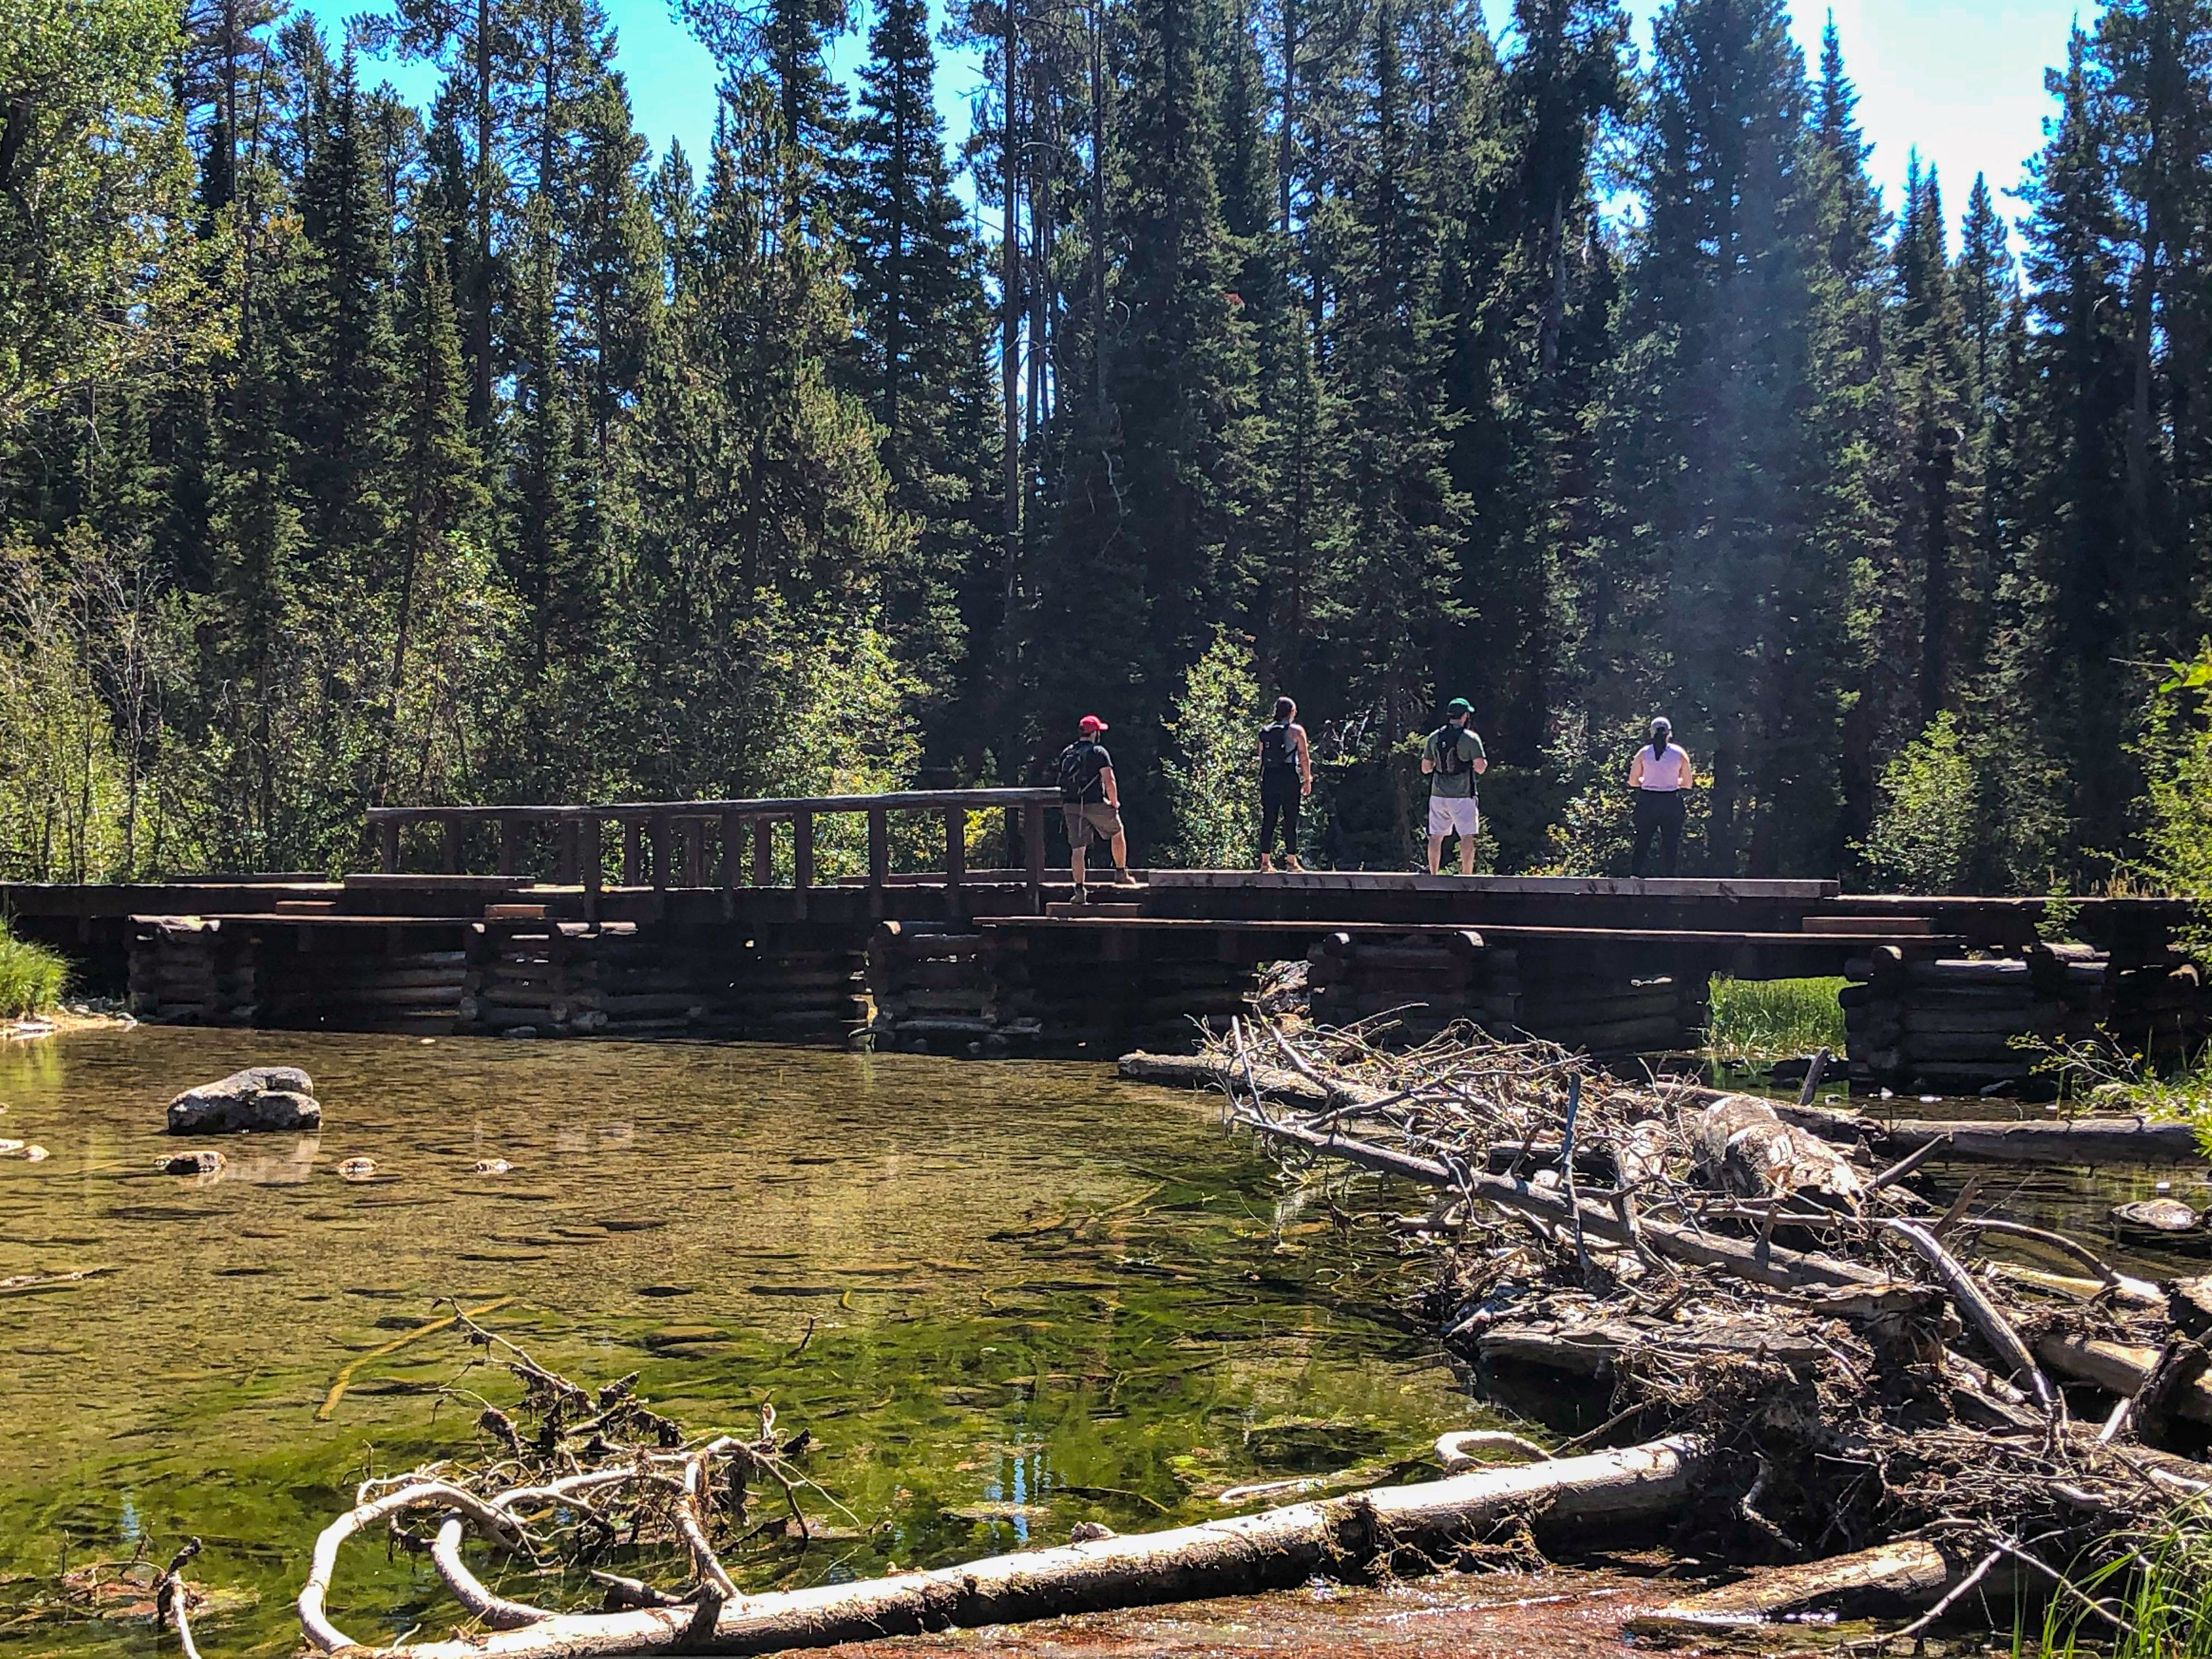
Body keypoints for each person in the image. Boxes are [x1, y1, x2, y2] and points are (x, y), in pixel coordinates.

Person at [1057, 714, 1133, 899]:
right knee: (1117, 832)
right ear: (1095, 733)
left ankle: (1079, 891)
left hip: (1071, 805)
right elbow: (1109, 780)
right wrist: (1114, 802)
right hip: (1095, 804)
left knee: (1078, 848)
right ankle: (1121, 874)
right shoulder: (1099, 752)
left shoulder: (1067, 752)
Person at [1421, 697, 1488, 876]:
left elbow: (1426, 768)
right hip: (1463, 795)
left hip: (1438, 795)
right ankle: (1467, 876)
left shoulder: (1434, 737)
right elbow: (1481, 768)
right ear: (1465, 716)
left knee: (1436, 837)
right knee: (1467, 836)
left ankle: (1434, 875)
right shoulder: (1471, 739)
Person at [1628, 716, 1692, 878]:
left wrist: (1648, 780)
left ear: (1651, 732)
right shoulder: (1679, 754)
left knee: (1642, 840)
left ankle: (1635, 875)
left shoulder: (1643, 753)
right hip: (1671, 801)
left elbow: (1633, 781)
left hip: (1647, 800)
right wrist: (1672, 781)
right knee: (1670, 843)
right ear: (1670, 733)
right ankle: (1669, 878)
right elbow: (1687, 783)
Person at [1256, 696, 1313, 873]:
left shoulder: (1265, 732)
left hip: (1270, 778)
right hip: (1288, 776)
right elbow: (1303, 756)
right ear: (1291, 712)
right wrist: (1307, 779)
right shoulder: (1296, 731)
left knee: (1269, 819)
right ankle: (1291, 862)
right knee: (1290, 819)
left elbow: (1261, 757)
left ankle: (1265, 862)